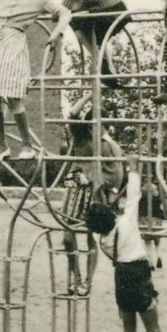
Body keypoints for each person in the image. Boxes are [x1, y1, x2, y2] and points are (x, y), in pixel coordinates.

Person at [86, 154, 167, 332]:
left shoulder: (100, 239)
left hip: (121, 278)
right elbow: (134, 196)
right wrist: (133, 168)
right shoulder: (126, 223)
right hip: (139, 275)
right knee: (154, 329)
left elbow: (99, 215)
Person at [0, 0, 71, 162]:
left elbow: (65, 13)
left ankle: (27, 145)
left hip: (13, 43)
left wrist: (56, 33)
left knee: (13, 96)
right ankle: (2, 147)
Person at [60, 109, 124, 295]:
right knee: (67, 236)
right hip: (75, 189)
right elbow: (72, 114)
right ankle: (76, 276)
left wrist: (107, 189)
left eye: (102, 124)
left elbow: (116, 174)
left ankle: (87, 281)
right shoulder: (81, 136)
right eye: (95, 124)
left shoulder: (108, 145)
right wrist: (90, 94)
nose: (99, 128)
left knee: (92, 237)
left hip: (94, 192)